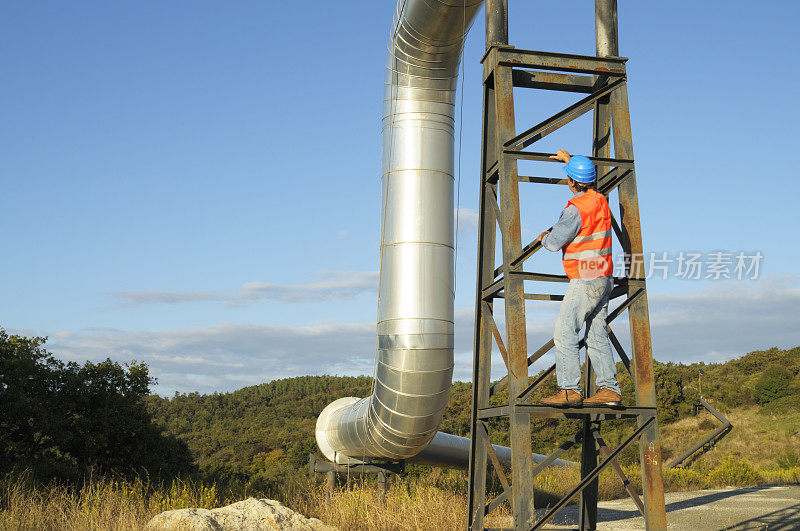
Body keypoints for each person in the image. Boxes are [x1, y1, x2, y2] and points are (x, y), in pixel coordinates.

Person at [537, 149, 622, 407]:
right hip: (604, 278)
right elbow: (584, 180)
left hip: (585, 278)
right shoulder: (599, 200)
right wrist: (570, 160)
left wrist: (543, 238)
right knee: (596, 334)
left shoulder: (575, 209)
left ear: (571, 182)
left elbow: (554, 243)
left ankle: (568, 390)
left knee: (565, 332)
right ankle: (609, 389)